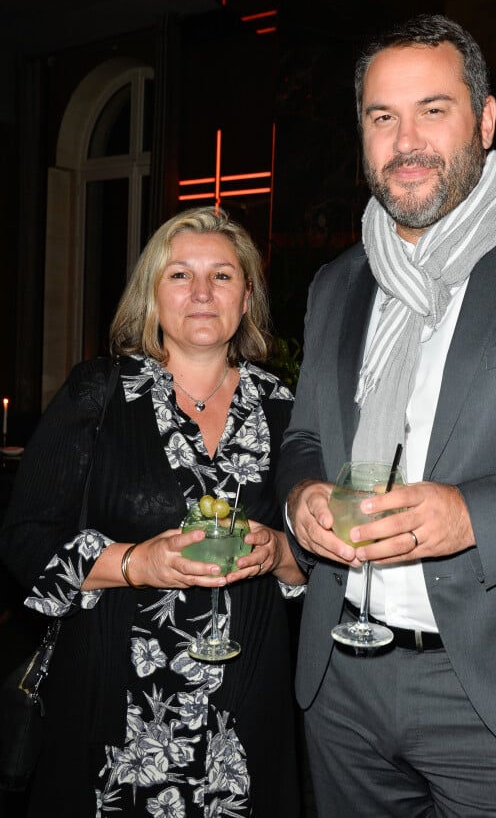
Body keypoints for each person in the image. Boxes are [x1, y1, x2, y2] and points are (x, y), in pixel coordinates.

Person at [276, 13, 496, 817]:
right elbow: (304, 437)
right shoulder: (337, 283)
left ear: (484, 119)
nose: (405, 140)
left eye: (433, 110)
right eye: (383, 117)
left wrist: (473, 514)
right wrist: (302, 493)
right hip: (340, 683)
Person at [0, 206, 306, 818]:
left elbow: (317, 560)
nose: (201, 293)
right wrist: (138, 563)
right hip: (115, 715)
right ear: (152, 295)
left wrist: (280, 552)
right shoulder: (99, 392)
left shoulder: (284, 406)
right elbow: (24, 542)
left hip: (245, 719)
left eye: (222, 276)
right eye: (179, 276)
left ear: (246, 298)